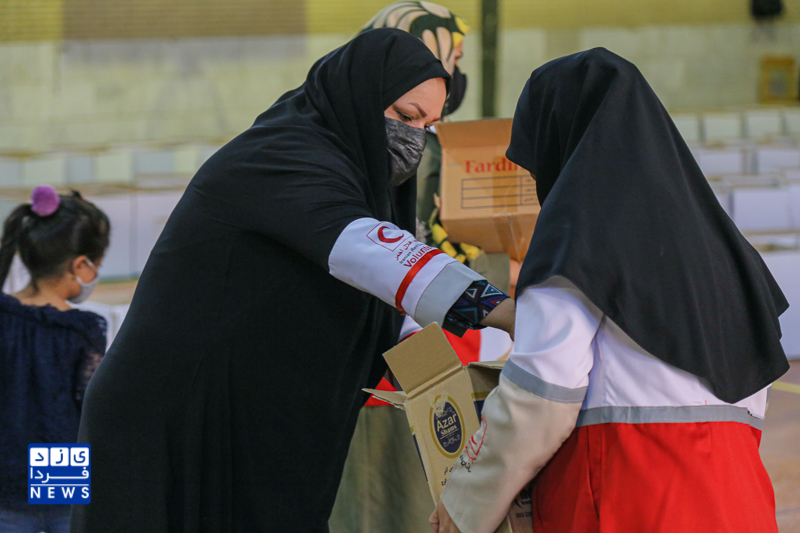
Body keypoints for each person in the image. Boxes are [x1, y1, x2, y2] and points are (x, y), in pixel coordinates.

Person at [73, 28, 515, 533]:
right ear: (359, 96)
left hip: (244, 428)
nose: (415, 139)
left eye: (429, 126)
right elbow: (371, 252)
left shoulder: (355, 180)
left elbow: (382, 310)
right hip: (173, 421)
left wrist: (447, 388)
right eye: (406, 116)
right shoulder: (282, 157)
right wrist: (506, 313)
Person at [430, 48, 789, 533]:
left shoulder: (577, 233)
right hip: (737, 501)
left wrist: (465, 505)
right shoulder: (723, 246)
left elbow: (540, 397)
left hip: (630, 495)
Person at [0, 186, 109, 533]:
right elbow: (91, 407)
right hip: (60, 462)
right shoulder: (82, 328)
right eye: (97, 265)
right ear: (80, 265)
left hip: (5, 467)